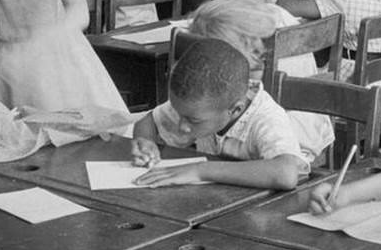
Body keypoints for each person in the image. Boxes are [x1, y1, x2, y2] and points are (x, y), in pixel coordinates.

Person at [131, 38, 306, 190]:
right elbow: (148, 122)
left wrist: (200, 170)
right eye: (179, 115)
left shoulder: (266, 118)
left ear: (235, 110)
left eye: (193, 121)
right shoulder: (196, 105)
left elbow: (286, 174)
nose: (182, 126)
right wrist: (146, 144)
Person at [186, 0, 333, 166]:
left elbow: (285, 170)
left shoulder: (263, 108)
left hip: (291, 153)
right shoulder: (255, 27)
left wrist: (205, 169)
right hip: (242, 159)